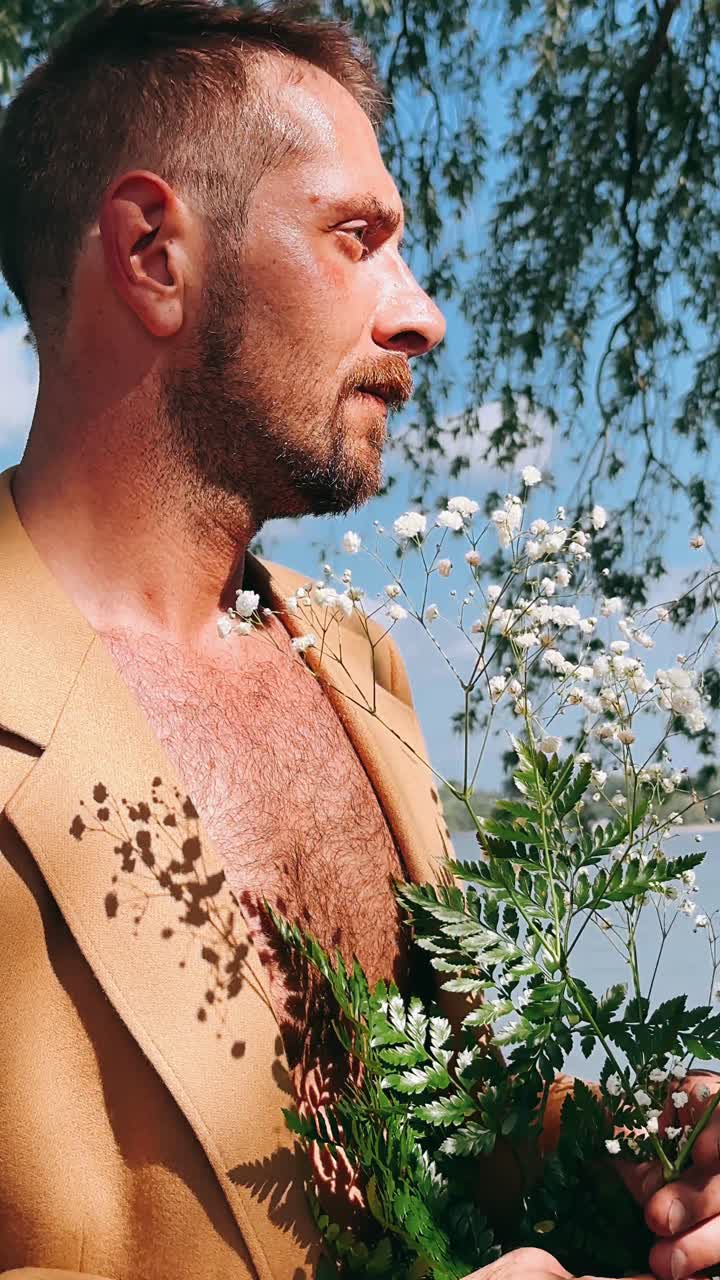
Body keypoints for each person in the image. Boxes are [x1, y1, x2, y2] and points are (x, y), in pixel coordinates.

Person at [0, 2, 718, 1277]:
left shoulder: (358, 666)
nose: (421, 313)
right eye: (357, 237)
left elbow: (444, 1131)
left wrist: (641, 1162)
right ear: (154, 252)